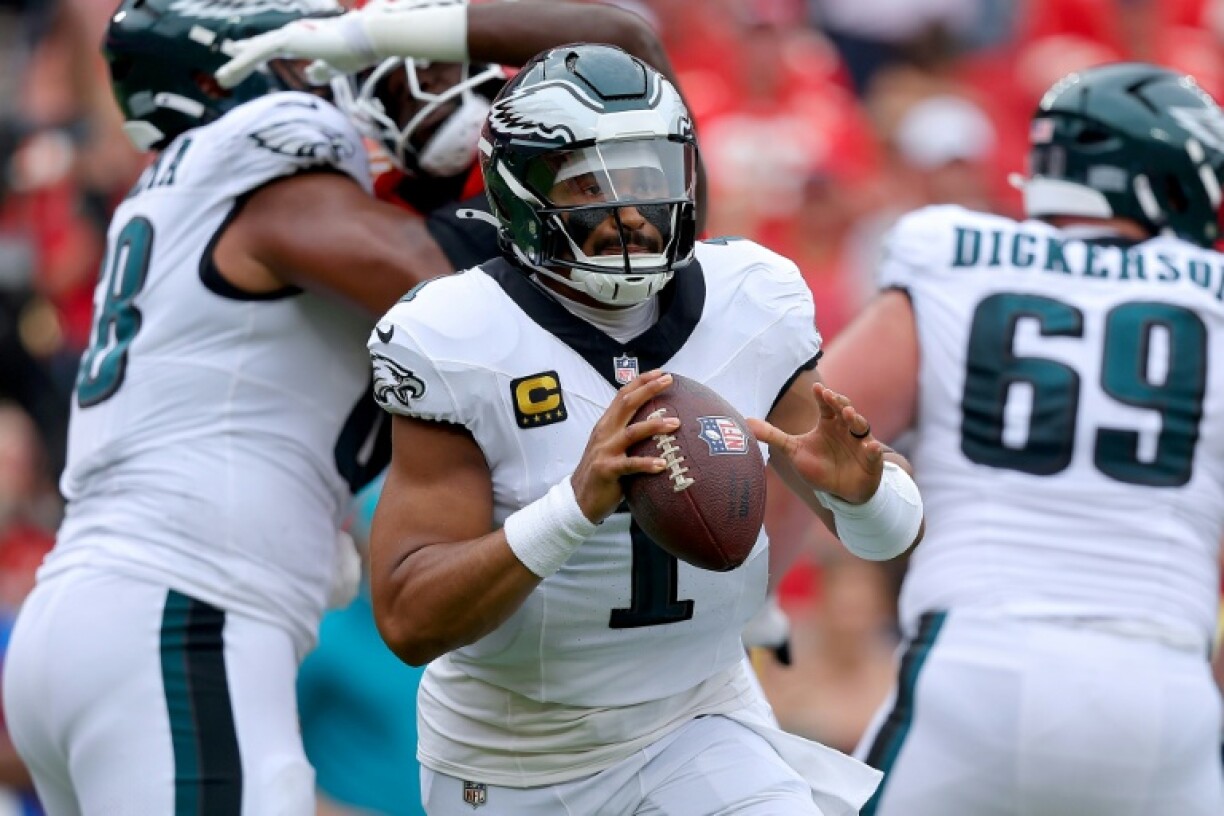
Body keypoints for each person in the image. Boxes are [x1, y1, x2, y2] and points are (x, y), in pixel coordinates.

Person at [366, 43, 925, 815]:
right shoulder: (458, 334)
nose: (630, 211)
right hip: (513, 759)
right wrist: (575, 506)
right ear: (523, 190)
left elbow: (886, 541)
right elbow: (408, 619)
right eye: (592, 183)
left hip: (697, 719)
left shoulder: (750, 298)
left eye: (647, 177)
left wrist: (866, 495)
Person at [817, 61, 1224, 815]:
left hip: (976, 666)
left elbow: (810, 430)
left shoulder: (953, 254)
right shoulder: (1211, 294)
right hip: (1163, 690)